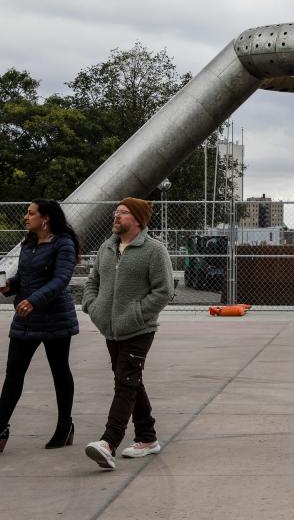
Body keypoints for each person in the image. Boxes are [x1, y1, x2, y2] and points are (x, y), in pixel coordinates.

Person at [0, 199, 81, 452]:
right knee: (13, 372)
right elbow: (25, 276)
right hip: (26, 316)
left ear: (46, 218)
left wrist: (34, 300)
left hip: (54, 317)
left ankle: (65, 425)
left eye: (30, 213)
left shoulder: (63, 243)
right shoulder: (29, 243)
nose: (25, 217)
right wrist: (10, 286)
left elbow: (61, 279)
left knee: (59, 371)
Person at [82, 197, 174, 469]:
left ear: (137, 219)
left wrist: (137, 314)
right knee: (130, 380)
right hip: (111, 329)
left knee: (125, 382)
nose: (116, 216)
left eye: (122, 213)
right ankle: (147, 438)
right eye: (116, 212)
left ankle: (108, 442)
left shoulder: (154, 250)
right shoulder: (107, 248)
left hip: (139, 329)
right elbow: (92, 281)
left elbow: (163, 291)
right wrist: (92, 307)